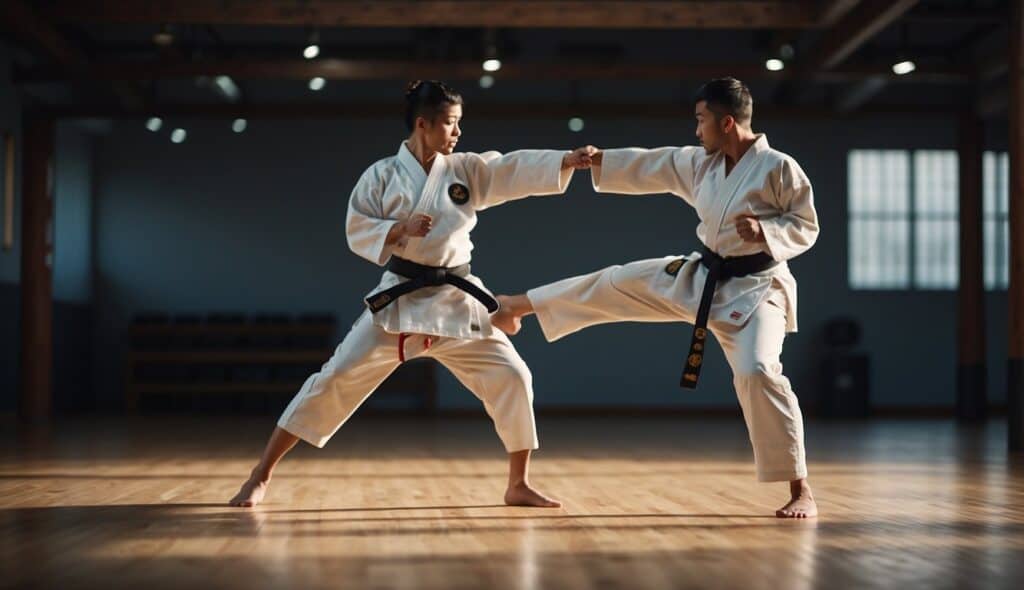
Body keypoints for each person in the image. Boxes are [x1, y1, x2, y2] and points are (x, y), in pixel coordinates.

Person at [229, 80, 593, 508]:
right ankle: (261, 475)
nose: (457, 133)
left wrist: (565, 161)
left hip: (457, 301)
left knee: (513, 376)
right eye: (449, 124)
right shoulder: (382, 175)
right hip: (401, 300)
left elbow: (509, 168)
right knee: (331, 382)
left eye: (459, 124)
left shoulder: (464, 170)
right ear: (423, 124)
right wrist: (398, 229)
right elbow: (356, 227)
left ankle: (518, 483)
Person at [492, 77, 820, 518]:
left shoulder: (779, 167)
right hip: (705, 276)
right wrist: (601, 161)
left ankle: (801, 489)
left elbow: (806, 225)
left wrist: (767, 232)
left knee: (758, 371)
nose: (696, 130)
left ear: (726, 123)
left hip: (758, 290)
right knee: (617, 281)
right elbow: (654, 164)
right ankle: (519, 305)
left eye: (701, 120)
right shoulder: (702, 164)